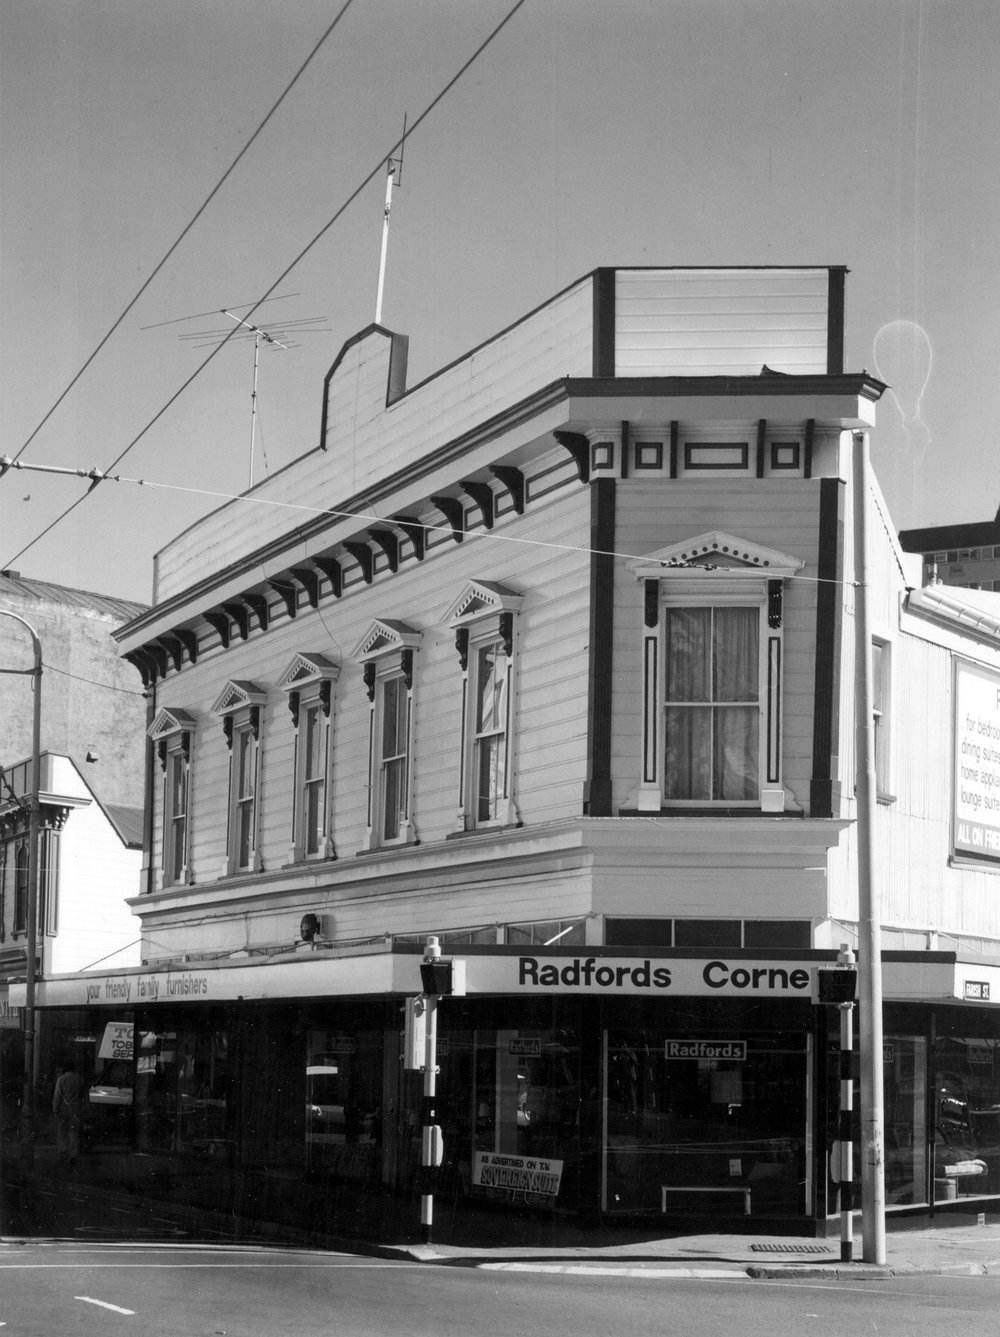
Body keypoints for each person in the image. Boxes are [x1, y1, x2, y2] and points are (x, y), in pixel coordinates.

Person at [52, 1062, 85, 1164]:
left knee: (62, 1131)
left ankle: (62, 1152)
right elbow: (84, 1095)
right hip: (76, 1109)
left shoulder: (61, 1079)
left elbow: (57, 1096)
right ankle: (73, 1155)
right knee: (74, 1132)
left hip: (64, 1109)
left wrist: (55, 1109)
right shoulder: (80, 1079)